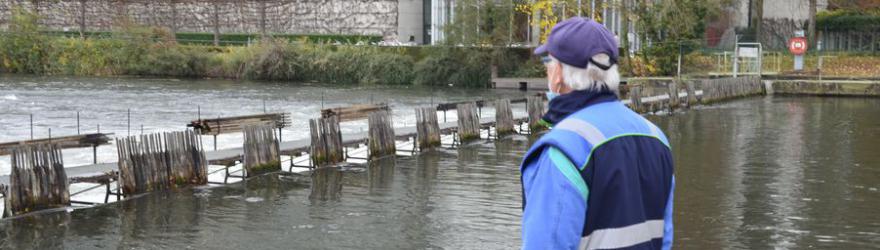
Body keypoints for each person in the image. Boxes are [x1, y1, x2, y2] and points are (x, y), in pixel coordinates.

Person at [520, 17, 675, 250]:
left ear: (558, 74)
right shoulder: (656, 138)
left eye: (548, 62)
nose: (547, 70)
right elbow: (665, 237)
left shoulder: (564, 150)